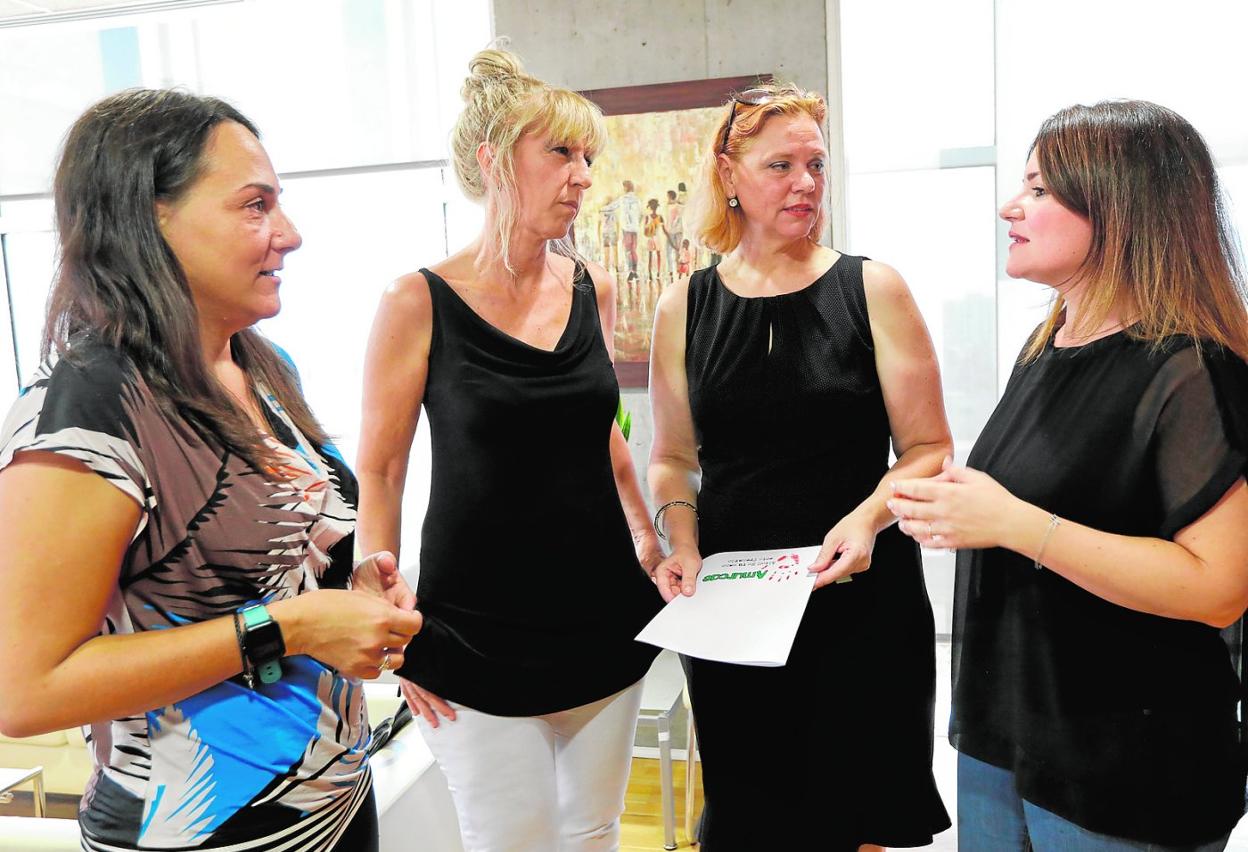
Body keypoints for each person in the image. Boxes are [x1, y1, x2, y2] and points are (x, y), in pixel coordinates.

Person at [0, 89, 423, 852]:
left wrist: (343, 595)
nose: (288, 235)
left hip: (330, 799)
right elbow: (26, 688)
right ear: (148, 217)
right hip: (201, 830)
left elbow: (263, 572)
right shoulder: (90, 407)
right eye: (254, 207)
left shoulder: (261, 365)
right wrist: (290, 627)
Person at [889, 100, 1248, 850]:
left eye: (1041, 189)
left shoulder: (1191, 368)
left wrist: (1014, 524)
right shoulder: (1047, 342)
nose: (1008, 206)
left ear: (1120, 208)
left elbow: (1218, 589)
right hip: (1008, 733)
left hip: (1125, 767)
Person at [356, 48, 664, 851]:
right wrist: (380, 609)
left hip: (604, 621)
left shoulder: (585, 285)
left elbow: (600, 430)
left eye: (588, 156)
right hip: (473, 636)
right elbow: (381, 468)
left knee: (592, 832)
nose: (583, 174)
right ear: (495, 161)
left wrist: (645, 536)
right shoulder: (416, 300)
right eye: (560, 152)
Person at [648, 82, 953, 851]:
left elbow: (929, 448)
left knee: (858, 822)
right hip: (736, 614)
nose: (806, 184)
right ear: (728, 175)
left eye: (816, 165)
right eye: (780, 165)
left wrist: (865, 518)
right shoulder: (683, 306)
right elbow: (673, 458)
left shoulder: (872, 288)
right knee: (750, 821)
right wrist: (679, 541)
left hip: (860, 607)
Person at [665, 188, 685, 281]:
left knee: (669, 251)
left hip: (672, 231)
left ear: (670, 197)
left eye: (667, 197)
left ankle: (671, 271)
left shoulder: (670, 207)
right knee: (677, 251)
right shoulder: (679, 206)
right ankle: (677, 269)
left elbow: (671, 220)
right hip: (678, 231)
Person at [644, 197, 665, 285]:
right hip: (654, 237)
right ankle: (655, 273)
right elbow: (664, 230)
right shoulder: (658, 217)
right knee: (656, 255)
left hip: (653, 237)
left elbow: (644, 231)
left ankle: (654, 273)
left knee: (653, 255)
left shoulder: (653, 217)